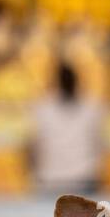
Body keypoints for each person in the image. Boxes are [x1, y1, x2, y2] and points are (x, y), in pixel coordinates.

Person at [33, 63, 102, 192]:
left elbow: (33, 146)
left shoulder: (43, 108)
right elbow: (101, 145)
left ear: (56, 83)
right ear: (77, 82)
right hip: (83, 178)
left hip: (52, 179)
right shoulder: (92, 106)